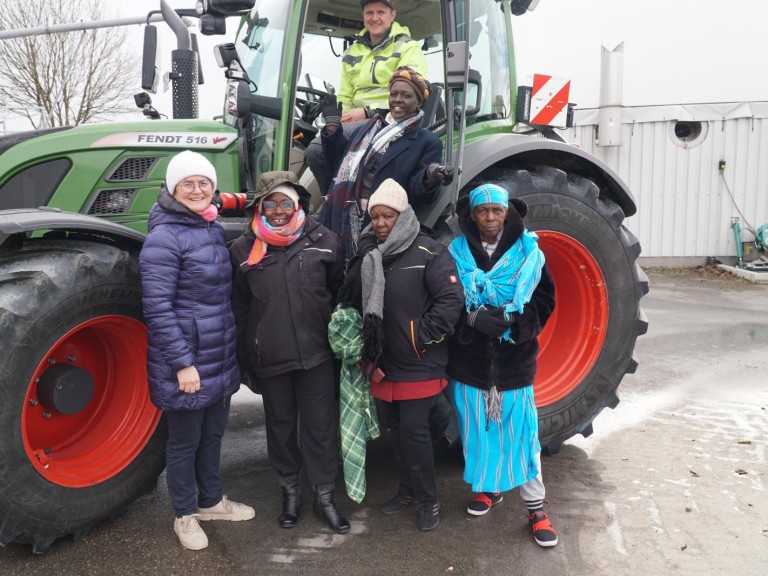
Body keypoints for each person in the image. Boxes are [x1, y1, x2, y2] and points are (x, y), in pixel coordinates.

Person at [139, 150, 255, 551]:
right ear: (172, 189)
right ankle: (185, 514)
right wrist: (182, 365)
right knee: (185, 441)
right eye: (187, 183)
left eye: (203, 182)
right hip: (188, 362)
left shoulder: (207, 227)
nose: (197, 189)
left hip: (218, 356)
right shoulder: (164, 237)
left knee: (213, 435)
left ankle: (210, 502)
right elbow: (157, 307)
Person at [337, 179, 464, 531]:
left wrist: (420, 339)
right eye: (375, 217)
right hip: (384, 363)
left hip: (419, 362)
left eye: (387, 216)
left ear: (403, 215)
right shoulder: (371, 256)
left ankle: (429, 501)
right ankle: (406, 491)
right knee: (396, 430)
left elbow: (451, 302)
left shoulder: (429, 251)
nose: (379, 223)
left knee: (414, 432)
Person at [229, 171, 350, 534]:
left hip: (317, 355)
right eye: (270, 204)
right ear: (260, 207)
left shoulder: (325, 241)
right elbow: (239, 309)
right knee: (280, 429)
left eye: (285, 203)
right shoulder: (242, 249)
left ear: (299, 204)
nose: (278, 211)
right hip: (271, 358)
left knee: (320, 428)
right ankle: (290, 494)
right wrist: (245, 358)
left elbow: (339, 295)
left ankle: (325, 497)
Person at [446, 183, 558, 547]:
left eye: (496, 210)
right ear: (472, 215)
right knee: (477, 433)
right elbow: (445, 299)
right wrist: (471, 319)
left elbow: (544, 301)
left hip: (513, 366)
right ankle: (489, 489)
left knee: (524, 439)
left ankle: (536, 509)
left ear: (507, 212)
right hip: (470, 366)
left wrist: (516, 323)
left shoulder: (529, 253)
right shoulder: (456, 254)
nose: (490, 217)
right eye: (482, 211)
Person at [319, 65, 453, 261]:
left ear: (418, 102)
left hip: (379, 224)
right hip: (341, 215)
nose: (397, 100)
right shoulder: (366, 129)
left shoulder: (426, 141)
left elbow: (418, 191)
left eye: (406, 95)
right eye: (394, 94)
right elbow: (339, 166)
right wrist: (332, 126)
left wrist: (429, 176)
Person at [305, 0, 428, 195]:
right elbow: (345, 93)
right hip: (356, 120)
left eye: (381, 12)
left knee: (318, 150)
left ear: (392, 15)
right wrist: (338, 118)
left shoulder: (408, 47)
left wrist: (366, 112)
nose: (375, 18)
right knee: (322, 142)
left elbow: (407, 94)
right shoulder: (352, 51)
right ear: (363, 15)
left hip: (390, 118)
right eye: (369, 12)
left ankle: (335, 200)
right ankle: (337, 199)